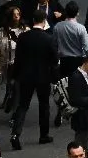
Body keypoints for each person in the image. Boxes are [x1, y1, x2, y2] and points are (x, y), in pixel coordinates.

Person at [10, 9, 59, 150]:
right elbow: (55, 59)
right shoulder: (49, 38)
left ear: (33, 21)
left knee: (23, 105)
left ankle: (15, 134)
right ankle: (44, 135)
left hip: (25, 76)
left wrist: (14, 76)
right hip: (43, 77)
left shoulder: (23, 37)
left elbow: (18, 59)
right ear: (44, 21)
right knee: (44, 105)